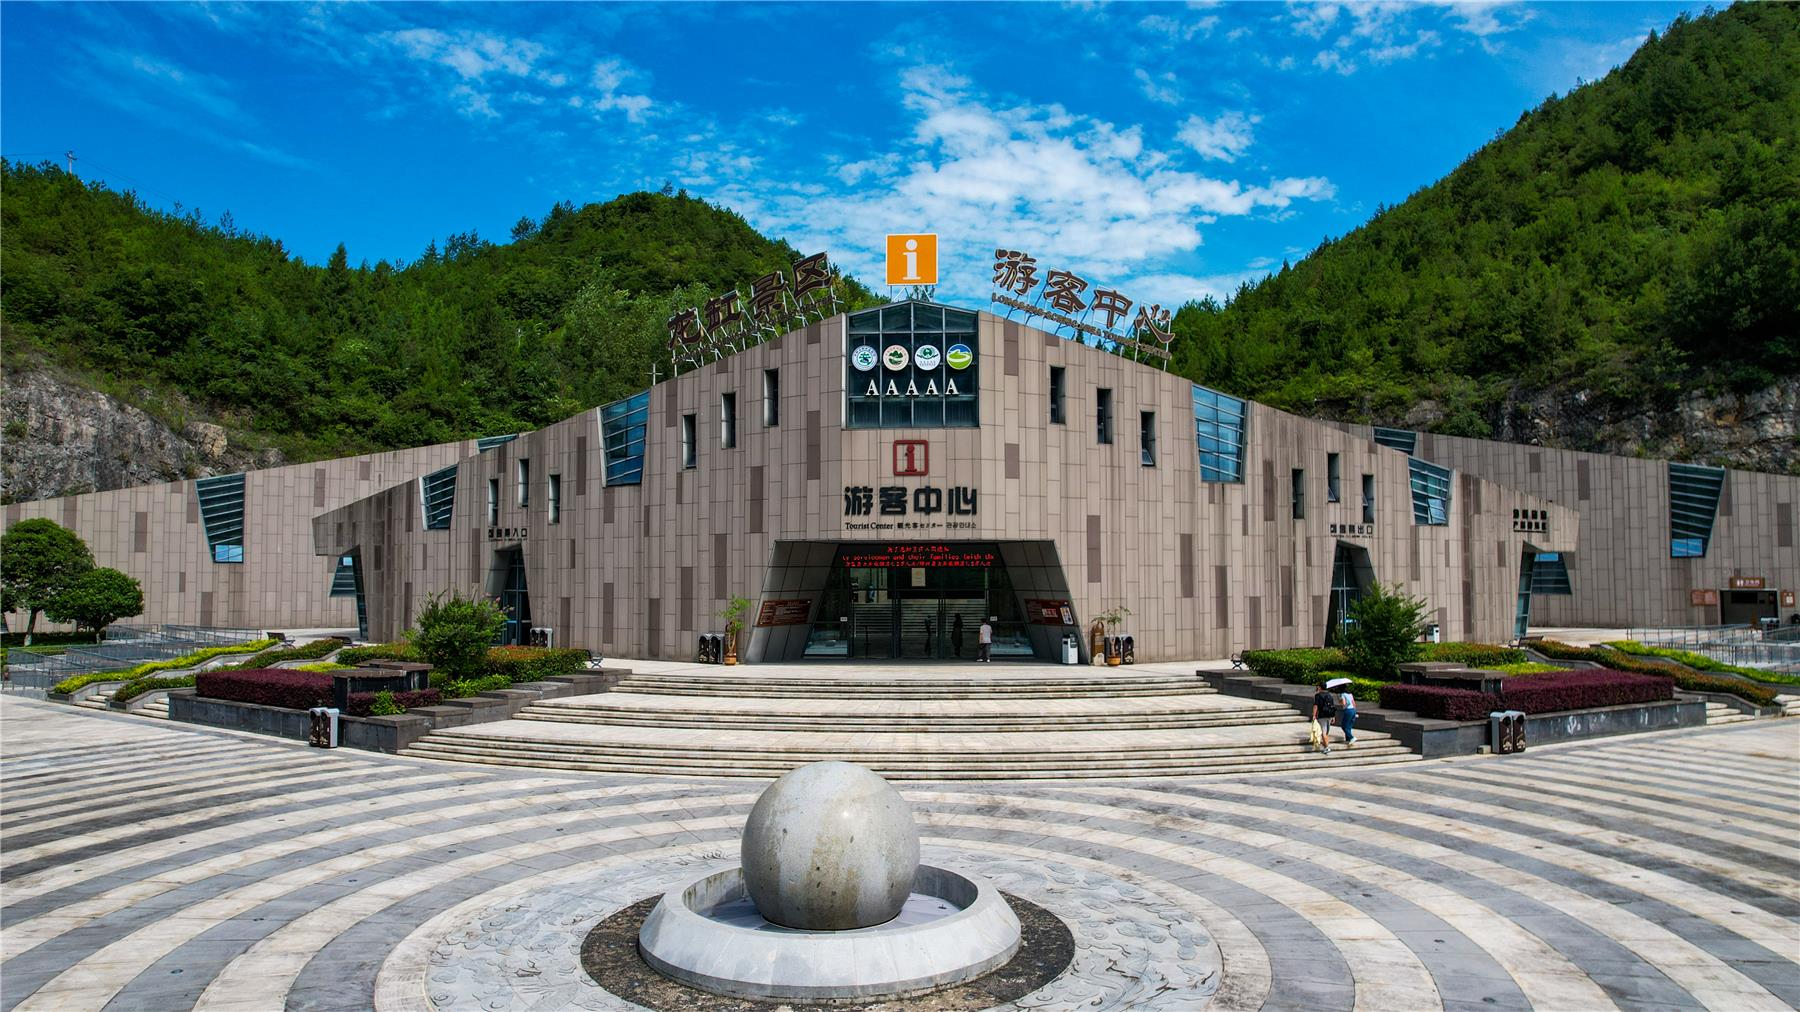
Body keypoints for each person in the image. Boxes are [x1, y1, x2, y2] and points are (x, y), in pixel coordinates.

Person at [1310, 685, 1338, 755]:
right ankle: (1325, 745)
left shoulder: (1318, 695)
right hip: (1329, 715)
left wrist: (1314, 715)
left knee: (1323, 732)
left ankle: (1327, 747)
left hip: (1322, 716)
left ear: (1320, 687)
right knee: (1326, 732)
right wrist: (1333, 716)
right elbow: (1332, 706)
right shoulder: (1329, 695)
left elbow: (1315, 706)